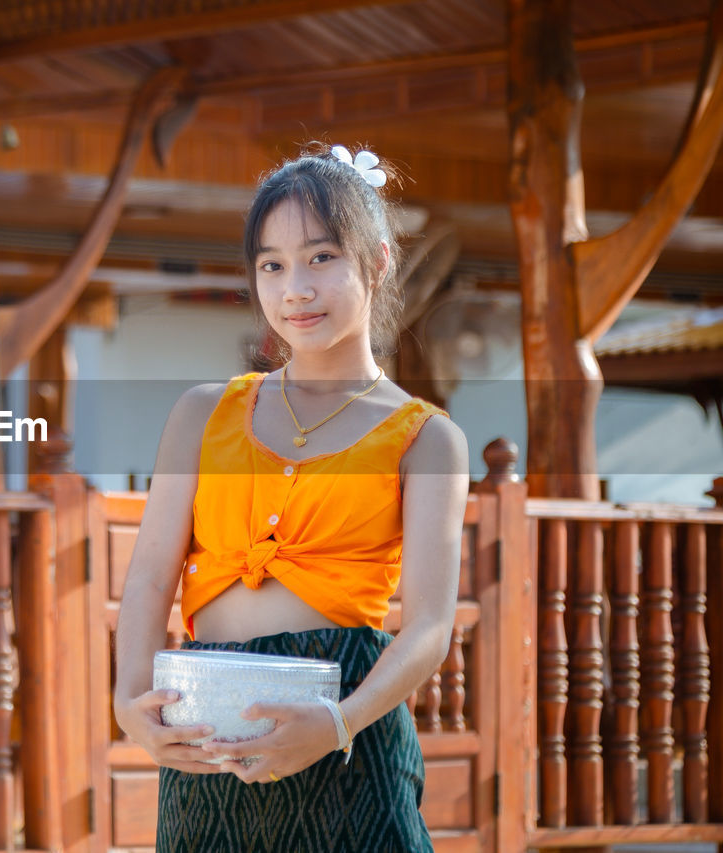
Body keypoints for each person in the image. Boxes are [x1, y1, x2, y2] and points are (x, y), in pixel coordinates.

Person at [112, 142, 470, 852]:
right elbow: (151, 576)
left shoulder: (428, 439)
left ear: (376, 261)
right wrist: (128, 704)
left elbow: (429, 626)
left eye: (319, 258)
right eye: (271, 265)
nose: (294, 289)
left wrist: (338, 721)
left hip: (348, 732)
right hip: (208, 731)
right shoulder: (201, 415)